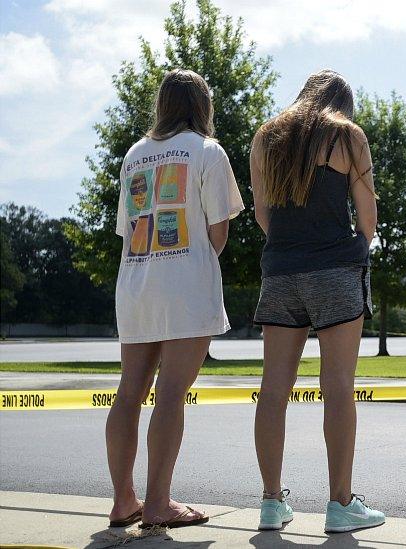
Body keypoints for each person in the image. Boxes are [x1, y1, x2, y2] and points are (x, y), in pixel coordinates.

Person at [107, 69, 244, 529]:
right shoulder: (208, 151)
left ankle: (124, 500)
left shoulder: (133, 155)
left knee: (129, 394)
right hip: (184, 287)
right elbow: (218, 231)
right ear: (203, 106)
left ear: (161, 104)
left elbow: (127, 230)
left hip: (136, 284)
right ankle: (159, 503)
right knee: (170, 395)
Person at [250, 70, 383, 533]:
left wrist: (293, 247)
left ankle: (271, 503)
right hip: (336, 272)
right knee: (338, 386)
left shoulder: (267, 137)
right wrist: (355, 250)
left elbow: (263, 212)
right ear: (343, 103)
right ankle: (340, 505)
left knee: (273, 390)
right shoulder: (348, 135)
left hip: (281, 272)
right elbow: (366, 214)